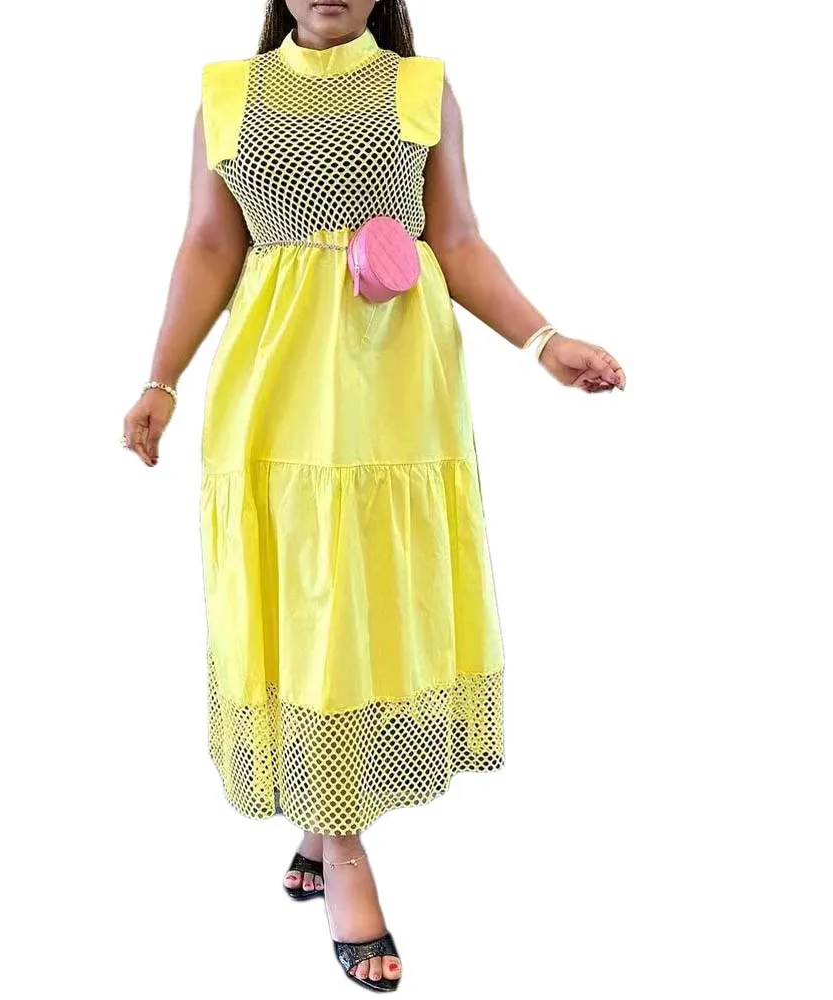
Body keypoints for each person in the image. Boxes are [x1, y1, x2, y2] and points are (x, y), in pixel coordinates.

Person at [122, 0, 626, 991]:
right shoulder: (228, 93)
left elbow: (459, 241)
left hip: (395, 386)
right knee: (306, 594)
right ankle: (342, 846)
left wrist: (543, 341)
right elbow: (211, 246)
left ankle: (327, 823)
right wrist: (160, 379)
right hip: (276, 386)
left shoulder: (418, 88)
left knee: (363, 599)